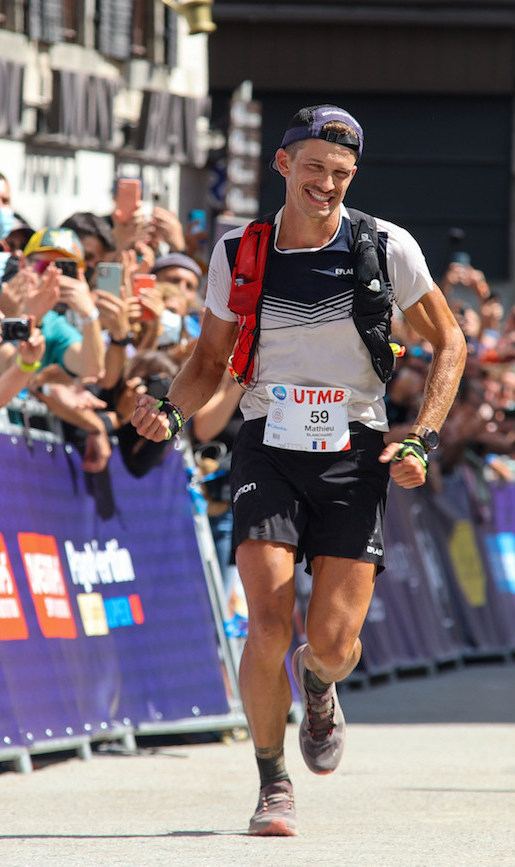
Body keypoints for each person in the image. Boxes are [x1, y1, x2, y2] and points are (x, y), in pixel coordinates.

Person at [131, 104, 466, 836]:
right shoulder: (240, 250)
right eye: (314, 167)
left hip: (354, 448)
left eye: (342, 172)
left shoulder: (386, 245)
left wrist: (422, 437)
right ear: (283, 164)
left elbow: (450, 342)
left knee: (335, 642)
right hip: (268, 444)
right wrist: (171, 412)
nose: (327, 183)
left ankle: (318, 684)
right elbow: (209, 359)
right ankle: (272, 782)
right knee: (267, 621)